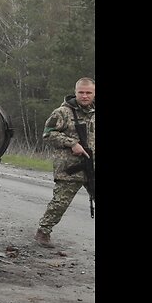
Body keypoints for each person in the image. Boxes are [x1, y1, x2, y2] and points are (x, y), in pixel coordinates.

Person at [34, 77, 96, 248]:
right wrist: (72, 144)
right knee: (60, 203)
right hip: (70, 167)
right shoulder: (62, 112)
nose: (84, 96)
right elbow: (48, 134)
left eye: (88, 92)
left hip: (92, 166)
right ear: (75, 92)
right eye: (81, 92)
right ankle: (43, 231)